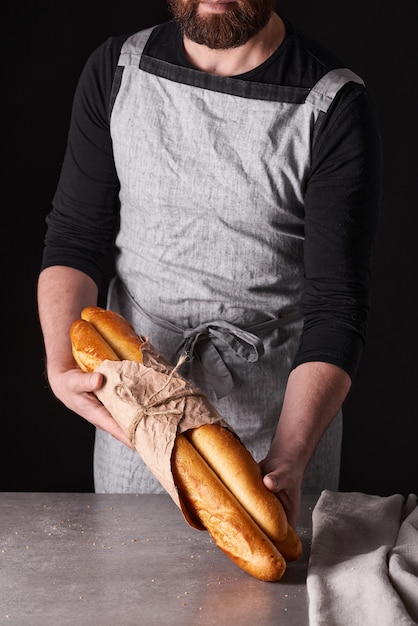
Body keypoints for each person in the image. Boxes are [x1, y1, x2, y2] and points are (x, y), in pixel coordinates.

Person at [37, 0, 382, 527]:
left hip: (279, 428)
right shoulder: (119, 68)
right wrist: (62, 362)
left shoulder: (331, 104)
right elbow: (75, 238)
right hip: (136, 413)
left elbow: (337, 308)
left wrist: (290, 455)